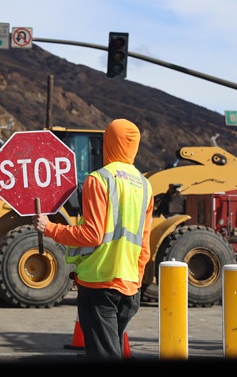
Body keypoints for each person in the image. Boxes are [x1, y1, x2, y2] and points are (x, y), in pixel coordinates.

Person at [32, 118, 153, 361]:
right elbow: (144, 244)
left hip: (100, 284)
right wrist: (135, 281)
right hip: (129, 286)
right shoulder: (145, 184)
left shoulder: (99, 179)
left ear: (108, 142)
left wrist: (49, 228)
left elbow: (92, 234)